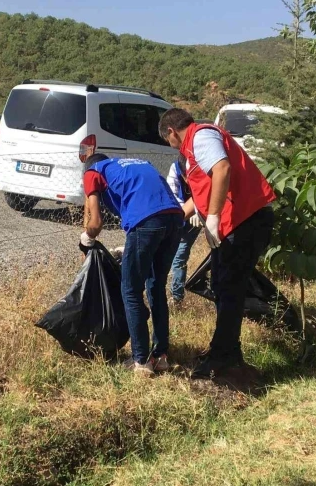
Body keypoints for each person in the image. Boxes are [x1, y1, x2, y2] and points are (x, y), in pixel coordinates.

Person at [158, 108, 276, 378]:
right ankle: (227, 351)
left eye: (169, 141)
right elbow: (199, 195)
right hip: (240, 223)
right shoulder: (193, 151)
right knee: (223, 286)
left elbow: (223, 169)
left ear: (171, 132)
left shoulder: (202, 137)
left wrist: (212, 219)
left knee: (229, 287)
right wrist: (172, 219)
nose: (171, 146)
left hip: (247, 222)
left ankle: (223, 357)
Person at [80, 153, 183, 376]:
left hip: (147, 222)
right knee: (156, 286)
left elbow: (96, 223)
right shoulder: (135, 164)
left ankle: (140, 361)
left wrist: (86, 239)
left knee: (130, 290)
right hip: (175, 219)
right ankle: (161, 356)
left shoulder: (92, 171)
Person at [165, 155, 202, 306]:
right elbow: (172, 197)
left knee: (180, 255)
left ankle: (176, 297)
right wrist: (192, 209)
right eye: (186, 176)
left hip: (198, 218)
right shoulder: (175, 169)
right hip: (178, 216)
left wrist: (200, 212)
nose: (189, 180)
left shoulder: (202, 170)